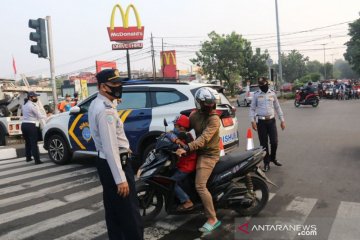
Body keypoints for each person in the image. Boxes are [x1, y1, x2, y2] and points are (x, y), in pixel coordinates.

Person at [88, 69, 143, 240]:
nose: (119, 87)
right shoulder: (106, 111)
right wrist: (121, 179)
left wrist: (125, 148)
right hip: (116, 164)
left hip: (106, 162)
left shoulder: (99, 103)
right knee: (130, 214)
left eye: (120, 83)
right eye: (114, 84)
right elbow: (111, 147)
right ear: (102, 87)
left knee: (114, 212)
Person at [176, 87, 221, 233]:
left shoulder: (214, 119)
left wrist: (187, 148)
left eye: (211, 104)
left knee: (200, 185)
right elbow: (185, 128)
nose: (210, 107)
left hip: (208, 155)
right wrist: (174, 136)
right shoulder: (195, 115)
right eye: (206, 104)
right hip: (197, 152)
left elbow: (203, 139)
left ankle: (212, 219)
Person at [249, 77, 285, 172]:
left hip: (271, 121)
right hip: (261, 122)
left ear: (267, 84)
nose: (262, 87)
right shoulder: (256, 95)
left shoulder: (272, 93)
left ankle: (273, 158)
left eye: (264, 85)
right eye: (260, 86)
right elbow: (252, 108)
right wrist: (252, 121)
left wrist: (282, 120)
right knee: (264, 144)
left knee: (274, 142)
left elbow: (277, 107)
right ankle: (266, 162)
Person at [165, 115, 197, 211]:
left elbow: (170, 135)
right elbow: (169, 134)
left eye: (176, 126)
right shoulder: (184, 134)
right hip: (182, 163)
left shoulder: (185, 135)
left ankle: (187, 201)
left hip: (187, 165)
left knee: (171, 182)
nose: (174, 127)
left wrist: (173, 137)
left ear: (182, 128)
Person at [21, 91, 47, 164]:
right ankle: (37, 160)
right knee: (33, 143)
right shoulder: (32, 105)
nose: (36, 98)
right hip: (31, 125)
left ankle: (28, 157)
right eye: (35, 97)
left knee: (27, 142)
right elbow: (39, 116)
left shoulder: (24, 105)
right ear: (30, 97)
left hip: (24, 125)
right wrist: (47, 116)